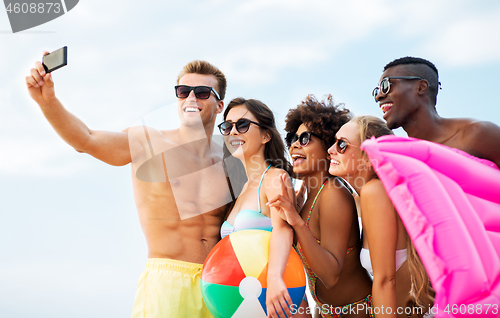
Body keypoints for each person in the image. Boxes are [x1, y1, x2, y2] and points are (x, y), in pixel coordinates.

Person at [26, 57, 235, 317]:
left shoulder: (232, 159)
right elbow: (87, 140)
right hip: (167, 283)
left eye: (202, 93)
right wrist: (48, 102)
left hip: (220, 285)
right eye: (183, 92)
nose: (191, 98)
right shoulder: (148, 142)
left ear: (219, 105)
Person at [267, 95, 373, 318]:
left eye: (305, 139)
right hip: (325, 312)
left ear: (327, 145)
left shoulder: (333, 193)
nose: (295, 145)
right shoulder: (305, 196)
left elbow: (331, 275)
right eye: (292, 138)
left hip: (359, 311)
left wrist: (295, 221)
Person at [327, 116, 434, 318]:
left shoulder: (374, 192)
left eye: (342, 144)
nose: (331, 149)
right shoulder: (365, 197)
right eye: (334, 141)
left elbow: (386, 280)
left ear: (368, 156)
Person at [218, 98, 297, 318]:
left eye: (242, 125)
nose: (233, 131)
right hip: (243, 304)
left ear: (265, 135)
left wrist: (274, 279)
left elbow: (284, 229)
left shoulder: (274, 177)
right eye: (227, 126)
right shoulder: (240, 188)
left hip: (277, 300)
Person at [373, 56, 500, 168]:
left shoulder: (478, 134)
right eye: (377, 90)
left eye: (386, 86)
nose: (379, 96)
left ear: (421, 87)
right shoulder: (403, 160)